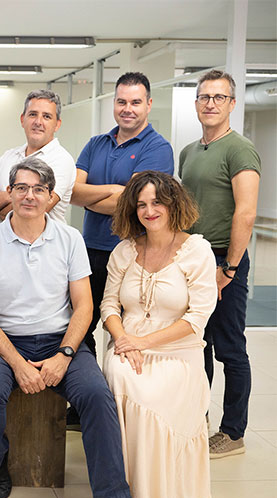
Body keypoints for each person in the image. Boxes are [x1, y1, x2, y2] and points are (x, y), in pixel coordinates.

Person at [0, 157, 145, 498]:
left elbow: (84, 306)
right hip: (6, 342)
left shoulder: (70, 239)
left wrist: (64, 354)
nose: (29, 196)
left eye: (38, 189)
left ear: (51, 197)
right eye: (21, 188)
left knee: (97, 396)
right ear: (9, 193)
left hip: (61, 340)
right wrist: (18, 364)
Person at [101, 171, 217, 498]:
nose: (149, 211)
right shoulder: (125, 250)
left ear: (173, 204)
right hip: (127, 345)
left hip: (178, 351)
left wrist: (145, 343)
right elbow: (109, 305)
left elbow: (197, 318)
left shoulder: (197, 251)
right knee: (121, 377)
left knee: (150, 395)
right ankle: (122, 491)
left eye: (157, 202)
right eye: (141, 204)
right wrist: (123, 339)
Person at [68, 72, 173, 431]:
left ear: (148, 104)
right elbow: (73, 192)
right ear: (113, 103)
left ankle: (122, 408)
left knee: (124, 331)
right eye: (122, 101)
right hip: (89, 252)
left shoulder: (158, 148)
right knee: (81, 327)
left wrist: (98, 195)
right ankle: (84, 405)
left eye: (135, 102)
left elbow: (138, 202)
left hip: (133, 255)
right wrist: (116, 191)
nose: (128, 109)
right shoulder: (96, 143)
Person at [179, 70, 261, 459]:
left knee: (229, 348)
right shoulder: (189, 152)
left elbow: (246, 213)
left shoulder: (240, 150)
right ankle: (199, 419)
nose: (210, 103)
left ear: (232, 104)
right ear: (196, 103)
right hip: (193, 258)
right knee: (198, 344)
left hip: (224, 259)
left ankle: (233, 432)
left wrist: (228, 268)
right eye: (204, 97)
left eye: (219, 97)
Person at [0, 89, 75, 224]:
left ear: (57, 124)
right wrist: (10, 196)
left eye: (46, 116)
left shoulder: (61, 160)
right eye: (32, 114)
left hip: (45, 238)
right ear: (22, 119)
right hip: (4, 238)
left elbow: (29, 213)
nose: (38, 122)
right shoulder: (9, 156)